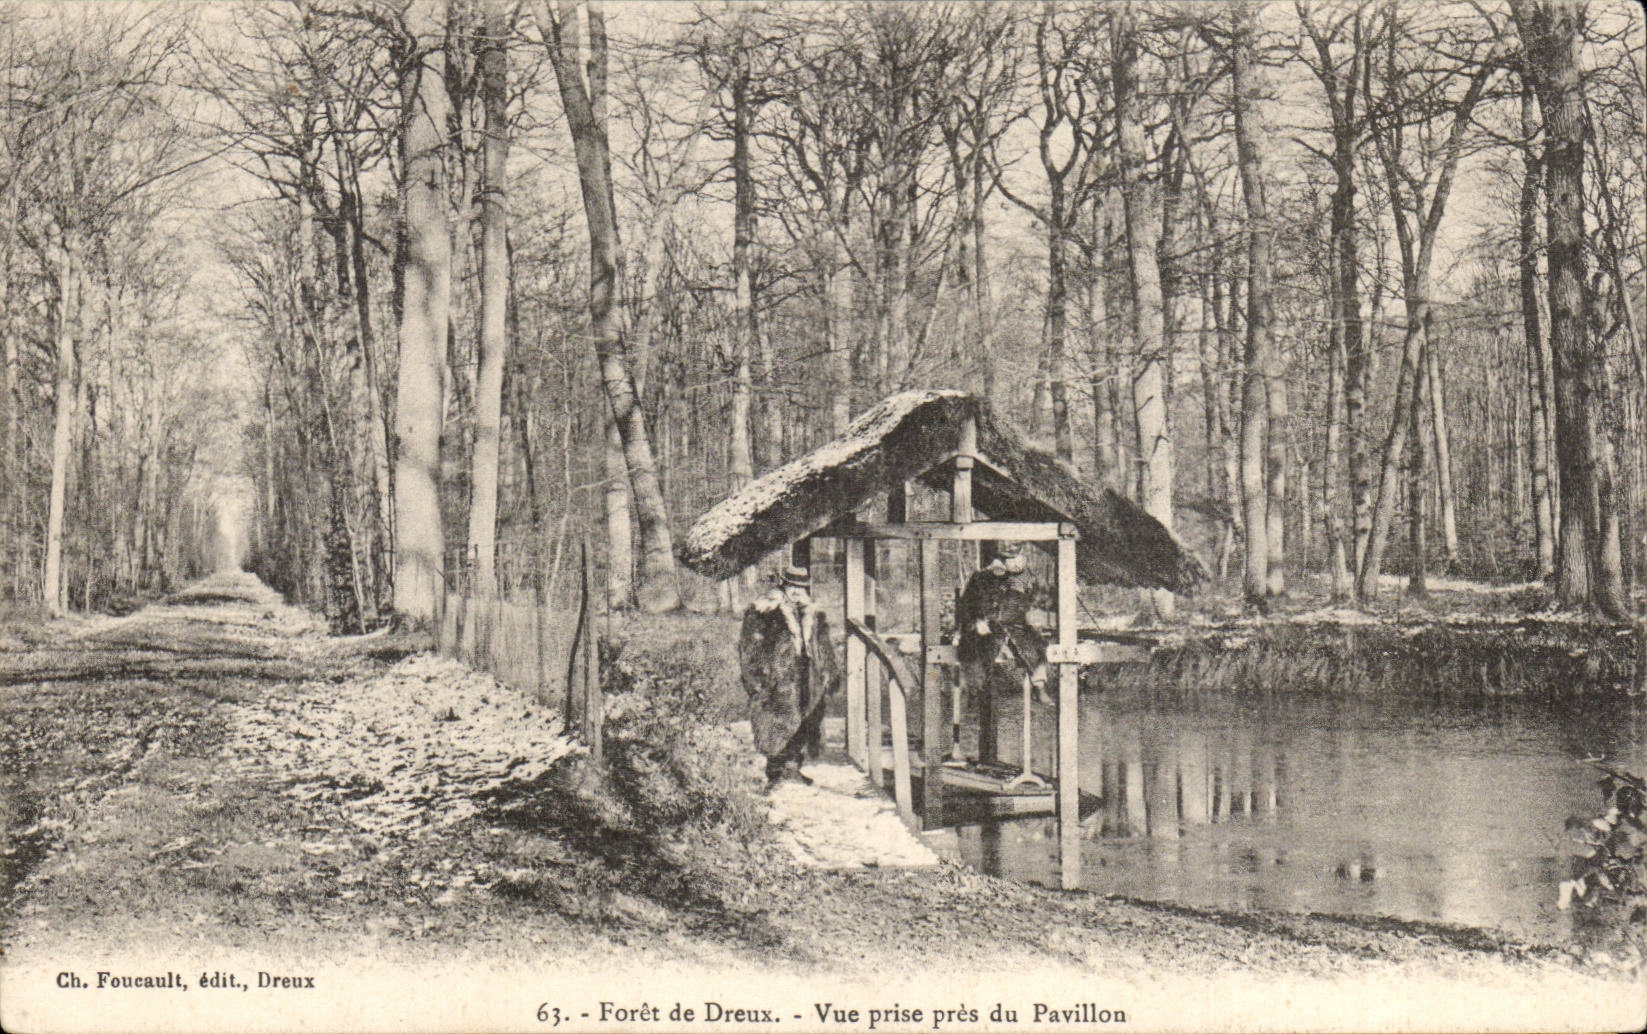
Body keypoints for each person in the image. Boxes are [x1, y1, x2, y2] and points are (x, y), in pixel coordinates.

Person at [738, 564, 842, 789]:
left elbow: (824, 645)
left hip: (806, 675)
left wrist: (830, 673)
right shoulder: (765, 611)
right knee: (776, 722)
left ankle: (793, 767)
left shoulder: (812, 613)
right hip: (776, 677)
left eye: (801, 587)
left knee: (805, 718)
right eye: (792, 586)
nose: (796, 592)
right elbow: (749, 647)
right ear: (783, 586)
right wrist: (757, 681)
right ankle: (777, 772)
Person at [955, 541, 1050, 741]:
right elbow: (966, 605)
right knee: (979, 652)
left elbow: (1040, 599)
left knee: (1035, 648)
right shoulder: (981, 578)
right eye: (1006, 559)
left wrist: (1048, 600)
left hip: (1015, 623)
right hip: (987, 623)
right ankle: (976, 692)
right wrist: (976, 621)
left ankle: (1039, 686)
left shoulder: (1026, 577)